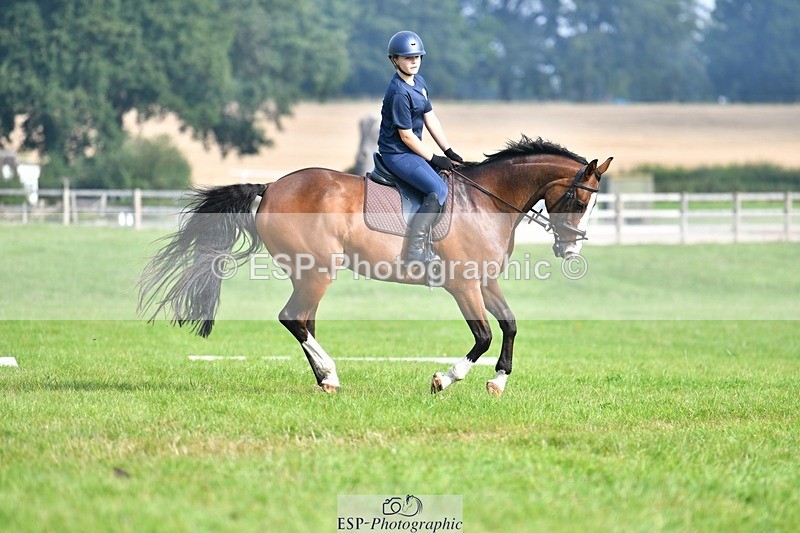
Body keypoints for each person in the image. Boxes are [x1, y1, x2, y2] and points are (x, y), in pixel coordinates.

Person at [378, 30, 464, 265]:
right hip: (397, 153)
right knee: (438, 189)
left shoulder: (419, 82)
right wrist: (435, 158)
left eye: (417, 57)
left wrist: (448, 151)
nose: (414, 61)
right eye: (407, 57)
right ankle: (415, 250)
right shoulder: (398, 92)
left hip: (412, 151)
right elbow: (406, 137)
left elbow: (430, 117)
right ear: (394, 60)